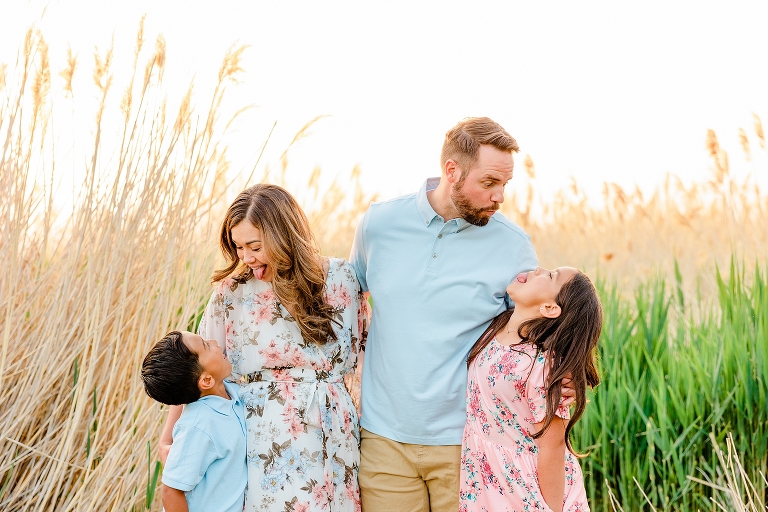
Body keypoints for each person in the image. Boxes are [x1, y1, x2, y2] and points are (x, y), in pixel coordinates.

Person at [349, 117, 575, 512]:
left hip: (468, 443)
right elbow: (350, 301)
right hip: (383, 439)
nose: (500, 196)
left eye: (505, 184)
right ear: (451, 171)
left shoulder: (514, 247)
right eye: (489, 182)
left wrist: (564, 375)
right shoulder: (379, 225)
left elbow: (536, 333)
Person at [159, 184, 368, 512]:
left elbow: (363, 361)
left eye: (254, 246)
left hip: (334, 430)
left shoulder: (342, 277)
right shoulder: (233, 292)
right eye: (239, 247)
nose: (246, 258)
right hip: (266, 440)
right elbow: (193, 368)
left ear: (283, 235)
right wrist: (168, 436)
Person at [461, 267, 602, 512]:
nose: (538, 269)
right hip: (486, 478)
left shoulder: (541, 367)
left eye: (550, 276)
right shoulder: (497, 328)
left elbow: (552, 448)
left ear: (549, 308)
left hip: (526, 489)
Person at [141, 331, 247, 512]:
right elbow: (171, 491)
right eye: (206, 345)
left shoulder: (233, 392)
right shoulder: (198, 425)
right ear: (206, 380)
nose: (214, 340)